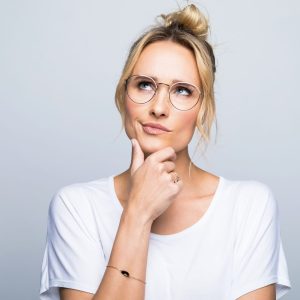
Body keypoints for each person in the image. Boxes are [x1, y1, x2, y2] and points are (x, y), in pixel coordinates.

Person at [39, 4, 291, 300]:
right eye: (145, 85)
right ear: (123, 96)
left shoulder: (248, 206)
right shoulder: (76, 208)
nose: (158, 108)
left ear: (203, 108)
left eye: (182, 90)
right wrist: (138, 213)